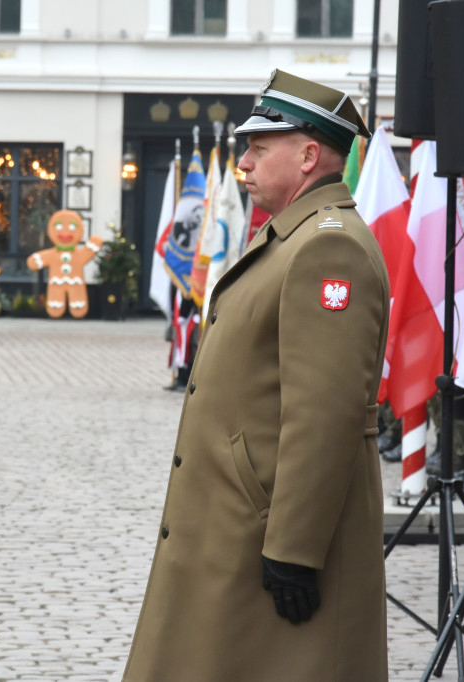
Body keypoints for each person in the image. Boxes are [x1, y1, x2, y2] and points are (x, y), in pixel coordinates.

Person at [122, 70, 388, 681]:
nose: (242, 163)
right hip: (243, 524)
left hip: (272, 532)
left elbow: (324, 414)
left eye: (258, 149)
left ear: (308, 155)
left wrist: (294, 550)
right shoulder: (289, 238)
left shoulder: (328, 249)